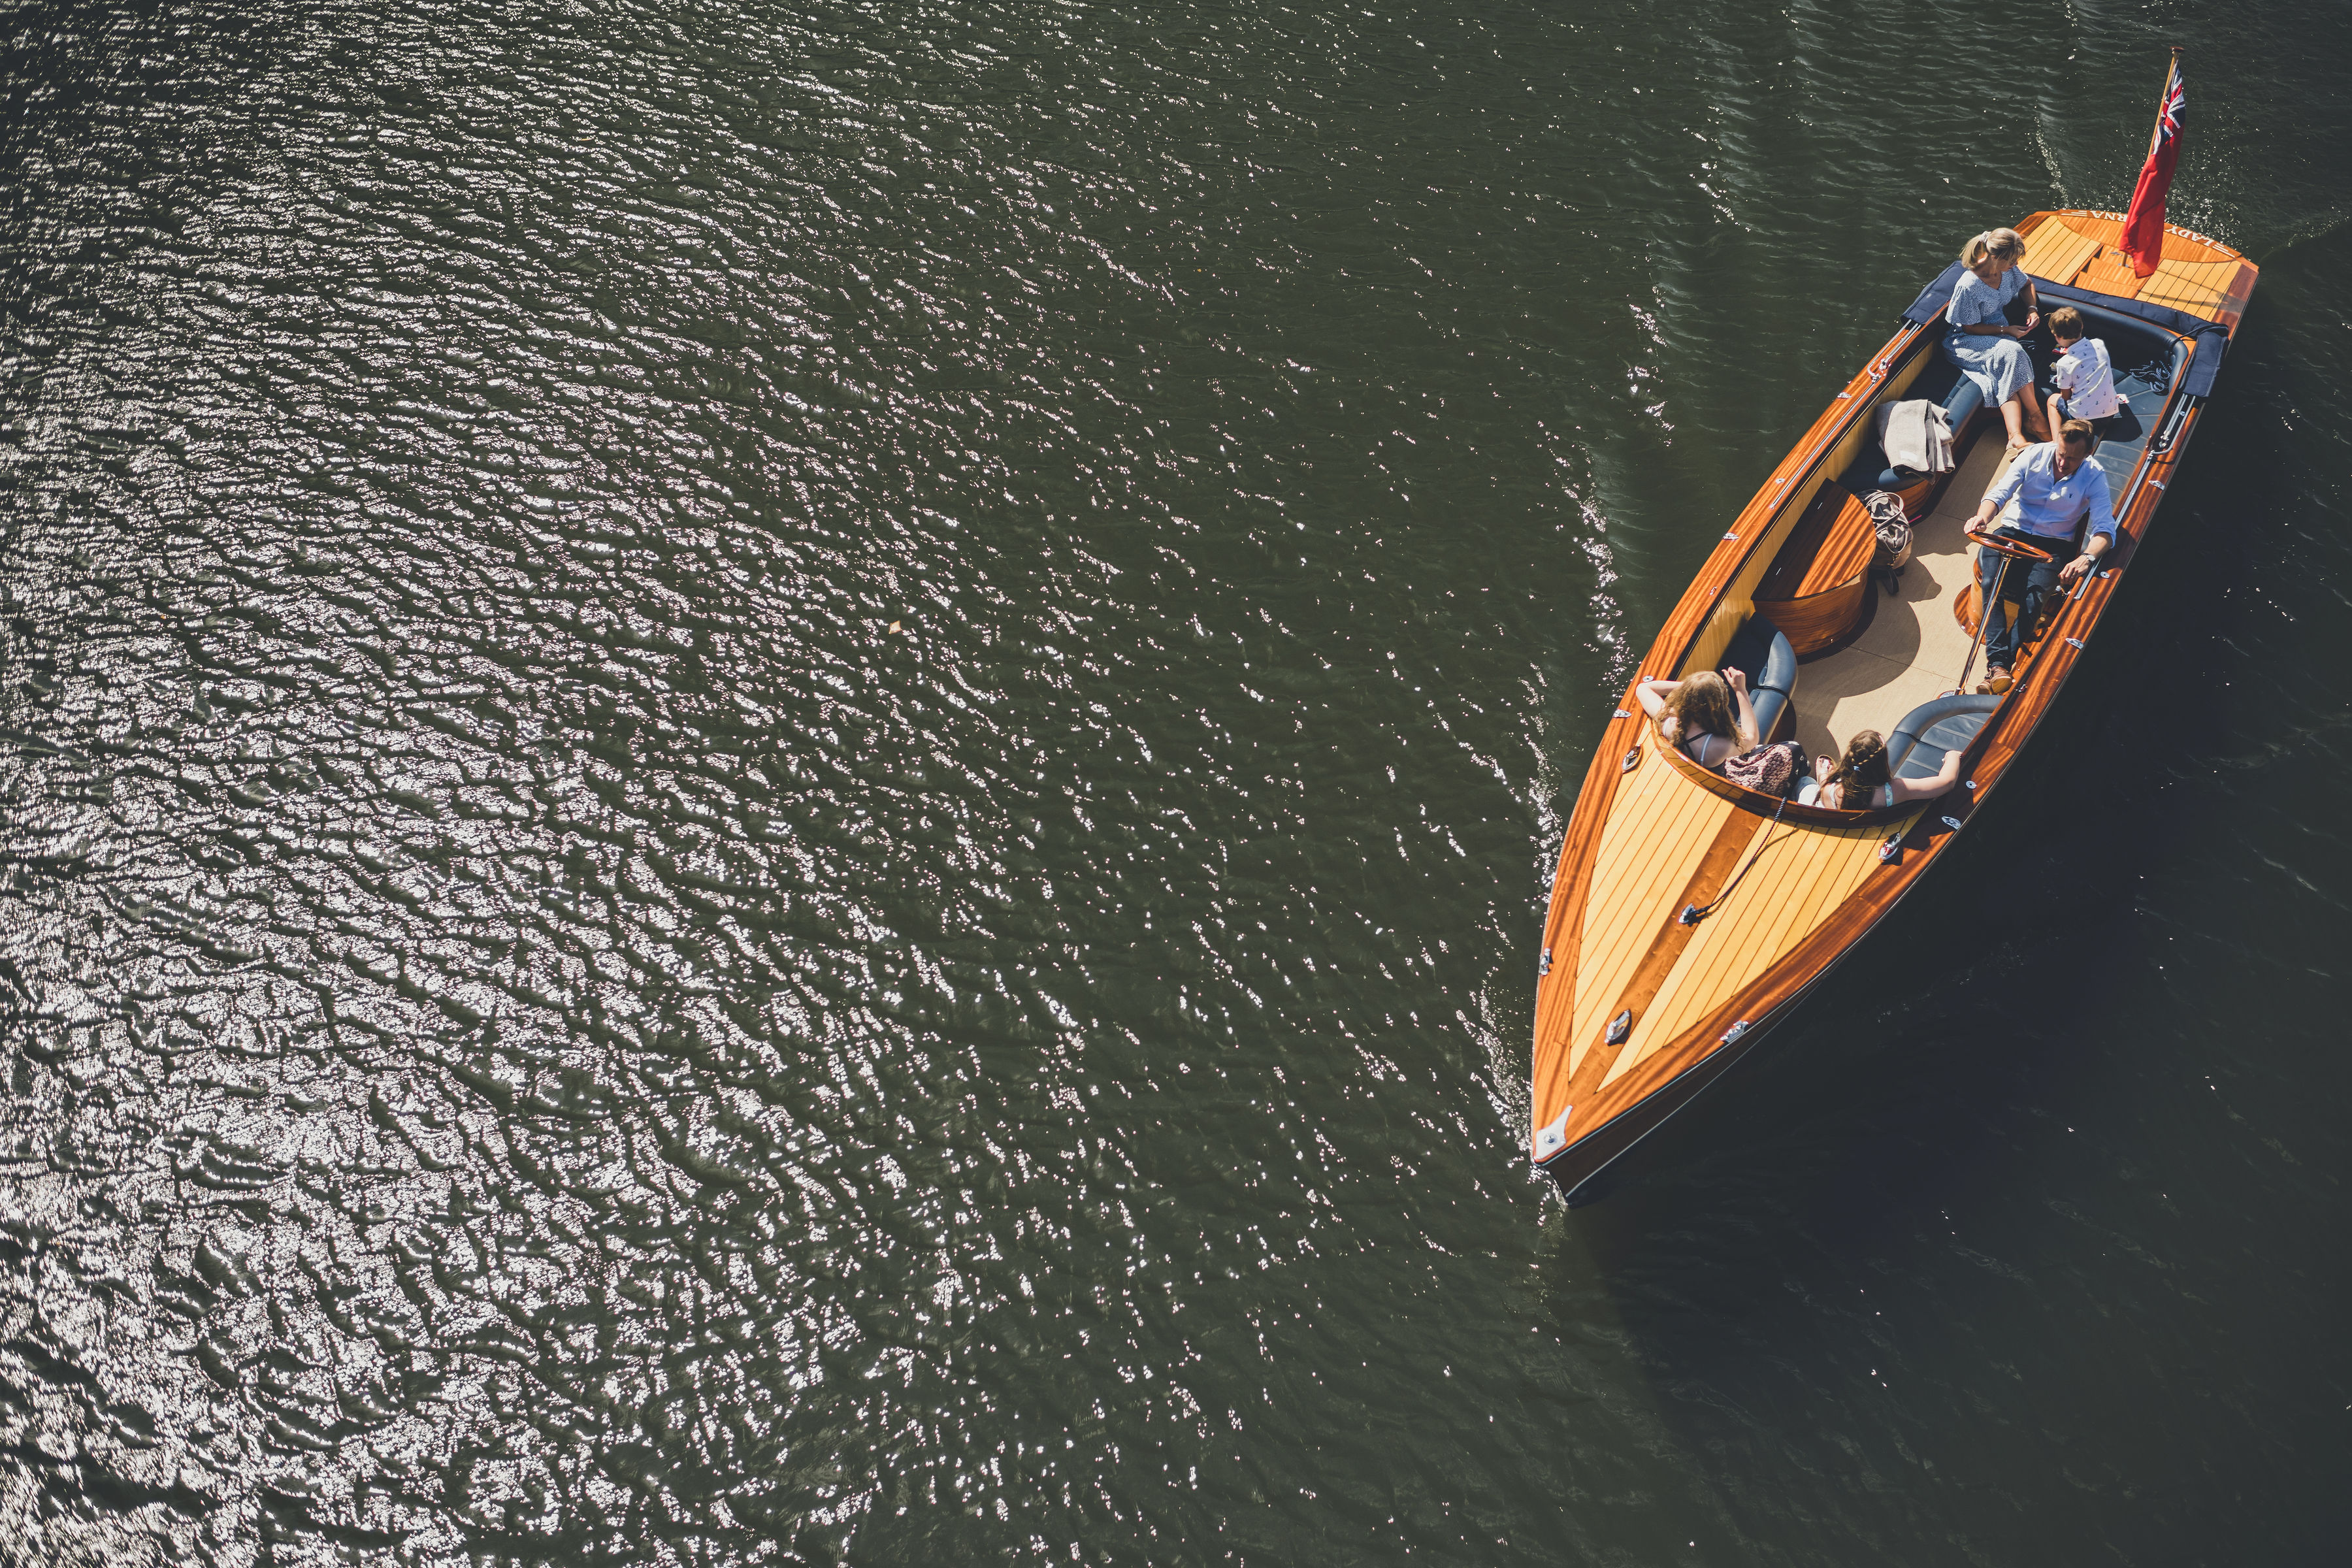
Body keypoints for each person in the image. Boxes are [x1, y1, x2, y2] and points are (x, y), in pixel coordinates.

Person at [1967, 417, 2116, 694]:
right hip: (2011, 531)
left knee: (2034, 598)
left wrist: (2085, 558)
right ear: (2057, 444)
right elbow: (2000, 493)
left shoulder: (2095, 475)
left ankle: (1997, 666)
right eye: (2061, 454)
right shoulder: (2034, 454)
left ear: (2087, 454)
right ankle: (2000, 666)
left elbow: (2105, 531)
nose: (2063, 462)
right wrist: (1982, 517)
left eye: (2072, 459)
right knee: (1993, 583)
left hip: (2052, 546)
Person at [1944, 229, 2050, 455]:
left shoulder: (2008, 271)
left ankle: (2016, 436)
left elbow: (2027, 284)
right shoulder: (1969, 285)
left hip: (1999, 335)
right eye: (2011, 261)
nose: (2015, 264)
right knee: (2011, 351)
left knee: (2007, 360)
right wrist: (2007, 329)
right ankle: (2036, 417)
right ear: (1995, 258)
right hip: (1965, 341)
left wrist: (2032, 309)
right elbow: (1968, 327)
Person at [1798, 730, 1962, 809]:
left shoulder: (1830, 791)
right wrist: (1952, 755)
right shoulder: (1896, 791)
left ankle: (1820, 776)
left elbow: (1827, 799)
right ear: (1882, 761)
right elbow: (1946, 783)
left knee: (1805, 782)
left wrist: (1825, 778)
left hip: (1830, 809)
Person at [1634, 668, 1757, 772]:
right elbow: (1752, 738)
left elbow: (1643, 688)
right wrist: (1741, 690)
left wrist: (1693, 688)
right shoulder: (1719, 747)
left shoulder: (1668, 720)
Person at [2044, 306, 2119, 423]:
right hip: (2110, 414)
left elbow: (2066, 397)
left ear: (2057, 337)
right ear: (2082, 326)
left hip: (2083, 419)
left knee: (2052, 401)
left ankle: (2057, 439)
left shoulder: (2063, 364)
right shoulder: (2099, 344)